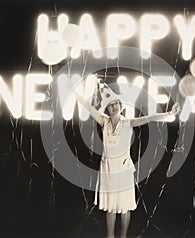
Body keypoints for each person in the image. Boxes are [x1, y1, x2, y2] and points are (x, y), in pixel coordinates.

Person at [74, 83, 180, 238]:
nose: (114, 107)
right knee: (110, 208)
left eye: (116, 104)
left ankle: (123, 236)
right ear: (107, 109)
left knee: (125, 208)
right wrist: (74, 91)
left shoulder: (128, 123)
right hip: (107, 169)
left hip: (123, 169)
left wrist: (169, 113)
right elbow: (88, 107)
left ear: (121, 105)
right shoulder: (104, 121)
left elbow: (149, 118)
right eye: (110, 105)